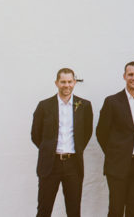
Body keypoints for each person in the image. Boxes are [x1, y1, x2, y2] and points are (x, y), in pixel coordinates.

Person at [96, 61, 134, 217]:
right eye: (130, 74)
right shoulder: (112, 101)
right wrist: (116, 152)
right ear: (124, 76)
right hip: (117, 165)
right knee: (116, 210)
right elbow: (101, 132)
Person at [31, 67, 93, 217]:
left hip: (73, 164)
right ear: (56, 83)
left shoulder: (84, 105)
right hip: (50, 164)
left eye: (70, 82)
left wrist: (74, 149)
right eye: (63, 82)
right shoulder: (44, 106)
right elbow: (35, 135)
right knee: (44, 209)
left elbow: (86, 133)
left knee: (73, 210)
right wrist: (49, 149)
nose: (67, 85)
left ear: (74, 83)